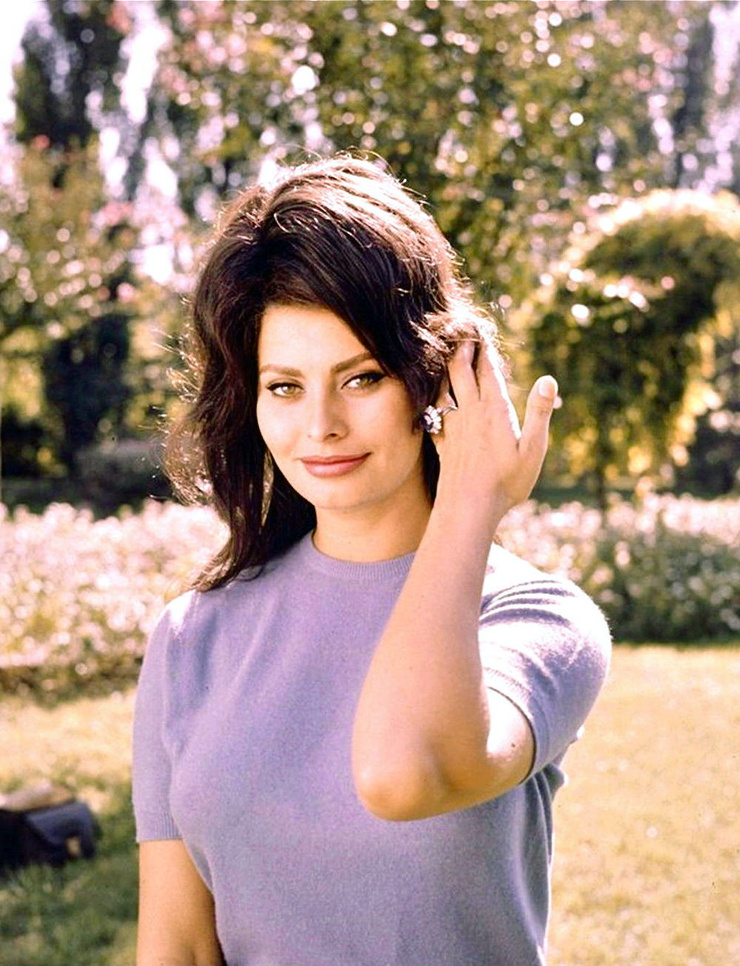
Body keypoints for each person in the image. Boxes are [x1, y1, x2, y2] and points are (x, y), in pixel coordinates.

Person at [132, 155, 611, 966]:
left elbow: (403, 774)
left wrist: (472, 497)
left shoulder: (538, 620)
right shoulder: (191, 639)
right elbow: (176, 945)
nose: (320, 425)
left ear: (433, 380)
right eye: (284, 386)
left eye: (360, 378)